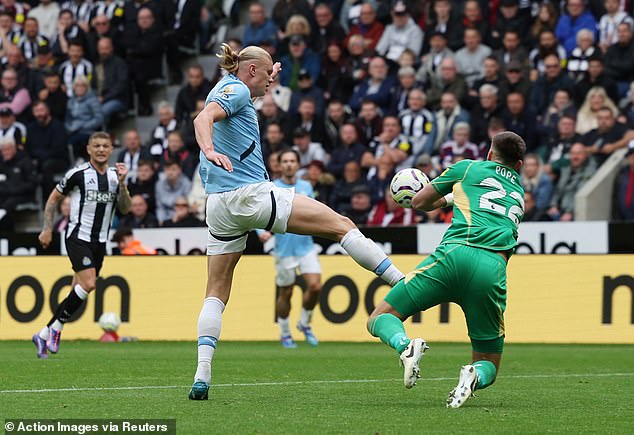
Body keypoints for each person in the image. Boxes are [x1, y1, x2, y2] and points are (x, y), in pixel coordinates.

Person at [189, 43, 405, 400]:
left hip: (218, 207)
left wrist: (265, 78)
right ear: (252, 71)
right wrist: (210, 151)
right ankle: (403, 283)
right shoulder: (237, 88)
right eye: (266, 77)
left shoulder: (233, 86)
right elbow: (203, 118)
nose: (269, 87)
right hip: (250, 194)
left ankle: (202, 375)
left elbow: (241, 96)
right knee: (341, 224)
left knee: (216, 291)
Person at [367, 131, 526, 409]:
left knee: (381, 317)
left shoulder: (468, 167)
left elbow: (419, 202)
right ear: (519, 166)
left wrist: (446, 200)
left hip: (454, 255)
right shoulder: (519, 194)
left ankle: (405, 346)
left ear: (489, 155)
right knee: (488, 361)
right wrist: (456, 198)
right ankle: (473, 374)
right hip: (492, 269)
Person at [32, 132, 132, 358]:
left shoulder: (117, 177)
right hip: (78, 237)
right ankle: (56, 329)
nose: (101, 149)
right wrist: (47, 228)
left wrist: (124, 184)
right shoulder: (77, 174)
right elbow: (53, 199)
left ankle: (43, 334)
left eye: (105, 146)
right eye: (96, 146)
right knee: (89, 283)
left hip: (100, 242)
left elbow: (125, 208)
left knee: (76, 290)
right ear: (88, 149)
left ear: (111, 149)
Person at [258, 149, 322, 348]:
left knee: (315, 286)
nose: (288, 164)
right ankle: (285, 332)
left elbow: (313, 211)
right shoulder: (272, 188)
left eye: (292, 161)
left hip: (306, 246)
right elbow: (259, 212)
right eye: (284, 161)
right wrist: (262, 232)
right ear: (279, 165)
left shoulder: (305, 187)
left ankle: (304, 323)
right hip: (284, 249)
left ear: (298, 164)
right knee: (286, 292)